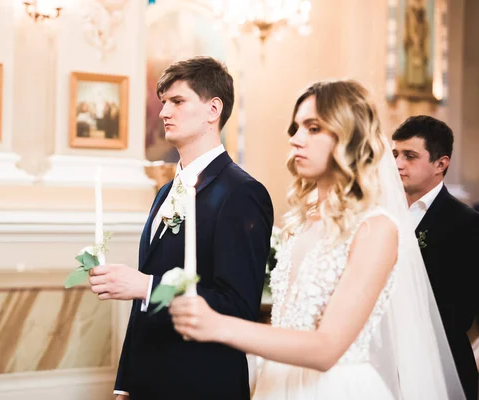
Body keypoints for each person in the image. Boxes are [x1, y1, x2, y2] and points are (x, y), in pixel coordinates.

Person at [169, 80, 465, 399]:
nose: (296, 140)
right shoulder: (301, 223)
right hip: (279, 384)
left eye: (313, 128)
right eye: (295, 128)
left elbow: (327, 349)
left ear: (349, 138)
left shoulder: (376, 228)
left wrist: (219, 326)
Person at [87, 56, 274, 400]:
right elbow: (145, 303)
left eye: (177, 101)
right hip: (149, 380)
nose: (163, 112)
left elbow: (237, 306)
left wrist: (147, 286)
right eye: (163, 102)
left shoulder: (241, 193)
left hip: (202, 381)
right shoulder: (165, 192)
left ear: (212, 110)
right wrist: (125, 382)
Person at [392, 115, 479, 399]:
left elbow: (460, 312)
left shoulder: (466, 223)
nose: (398, 164)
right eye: (395, 154)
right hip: (389, 363)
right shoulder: (382, 215)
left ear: (440, 164)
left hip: (440, 364)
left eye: (410, 156)